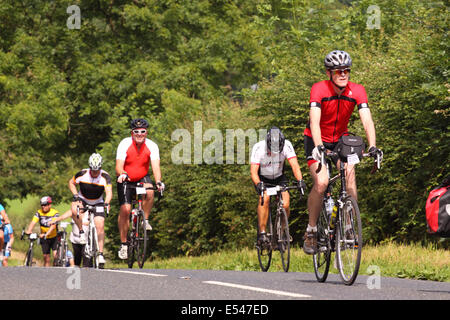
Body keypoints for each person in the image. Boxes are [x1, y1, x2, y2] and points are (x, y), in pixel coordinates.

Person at [302, 50, 382, 254]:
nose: (343, 74)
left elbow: (367, 120)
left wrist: (372, 146)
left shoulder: (357, 90)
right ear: (329, 73)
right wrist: (319, 147)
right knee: (321, 183)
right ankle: (311, 230)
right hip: (315, 139)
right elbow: (315, 122)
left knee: (350, 178)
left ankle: (348, 226)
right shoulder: (319, 89)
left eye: (346, 70)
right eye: (338, 71)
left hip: (340, 140)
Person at [116, 118, 165, 259]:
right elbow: (119, 166)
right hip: (126, 178)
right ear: (132, 133)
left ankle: (145, 220)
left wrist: (159, 181)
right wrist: (123, 174)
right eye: (136, 132)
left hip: (142, 177)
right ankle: (124, 244)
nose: (139, 134)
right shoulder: (124, 144)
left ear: (146, 132)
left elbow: (156, 166)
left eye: (142, 131)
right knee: (125, 209)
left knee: (150, 190)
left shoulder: (152, 146)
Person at [250, 126, 307, 245]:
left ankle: (282, 230)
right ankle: (262, 233)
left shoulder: (287, 145)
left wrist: (300, 180)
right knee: (264, 199)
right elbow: (253, 172)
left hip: (279, 177)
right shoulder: (259, 148)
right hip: (263, 179)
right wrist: (258, 184)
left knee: (286, 203)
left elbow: (295, 166)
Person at [54, 153, 112, 267]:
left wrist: (106, 203)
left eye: (97, 170)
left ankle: (100, 254)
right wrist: (75, 194)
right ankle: (81, 231)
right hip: (83, 199)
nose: (95, 173)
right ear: (89, 167)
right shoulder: (82, 174)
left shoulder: (105, 176)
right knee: (75, 209)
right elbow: (71, 183)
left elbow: (109, 192)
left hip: (98, 201)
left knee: (100, 224)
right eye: (93, 170)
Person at [25, 196, 59, 267]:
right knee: (46, 259)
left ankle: (56, 271)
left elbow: (53, 226)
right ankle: (46, 275)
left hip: (54, 237)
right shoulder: (39, 212)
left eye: (45, 205)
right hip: (44, 237)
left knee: (56, 257)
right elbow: (33, 222)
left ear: (49, 205)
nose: (43, 207)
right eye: (42, 205)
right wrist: (29, 230)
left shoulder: (55, 213)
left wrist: (47, 234)